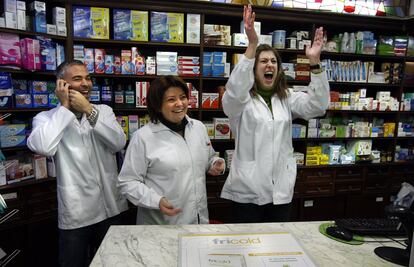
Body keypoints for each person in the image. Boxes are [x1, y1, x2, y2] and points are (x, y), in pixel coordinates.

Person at [220, 5, 330, 223]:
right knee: (248, 248)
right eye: (263, 61)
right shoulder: (241, 102)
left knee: (278, 248)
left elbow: (318, 105)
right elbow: (233, 92)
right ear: (253, 68)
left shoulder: (287, 97)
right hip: (247, 192)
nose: (269, 64)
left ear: (279, 69)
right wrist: (252, 44)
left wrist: (315, 62)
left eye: (273, 62)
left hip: (280, 191)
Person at [27, 60, 128, 267]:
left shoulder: (103, 111)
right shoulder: (46, 118)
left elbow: (118, 142)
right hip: (77, 215)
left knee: (114, 262)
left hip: (111, 207)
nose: (86, 83)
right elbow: (43, 147)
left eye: (88, 78)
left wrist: (89, 110)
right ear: (61, 85)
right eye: (77, 79)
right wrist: (64, 107)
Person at [118, 75, 225, 225]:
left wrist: (215, 163)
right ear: (157, 105)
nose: (179, 104)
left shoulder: (198, 128)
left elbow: (207, 158)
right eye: (171, 99)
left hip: (199, 220)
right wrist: (156, 200)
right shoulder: (143, 137)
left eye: (183, 97)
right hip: (161, 223)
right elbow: (127, 182)